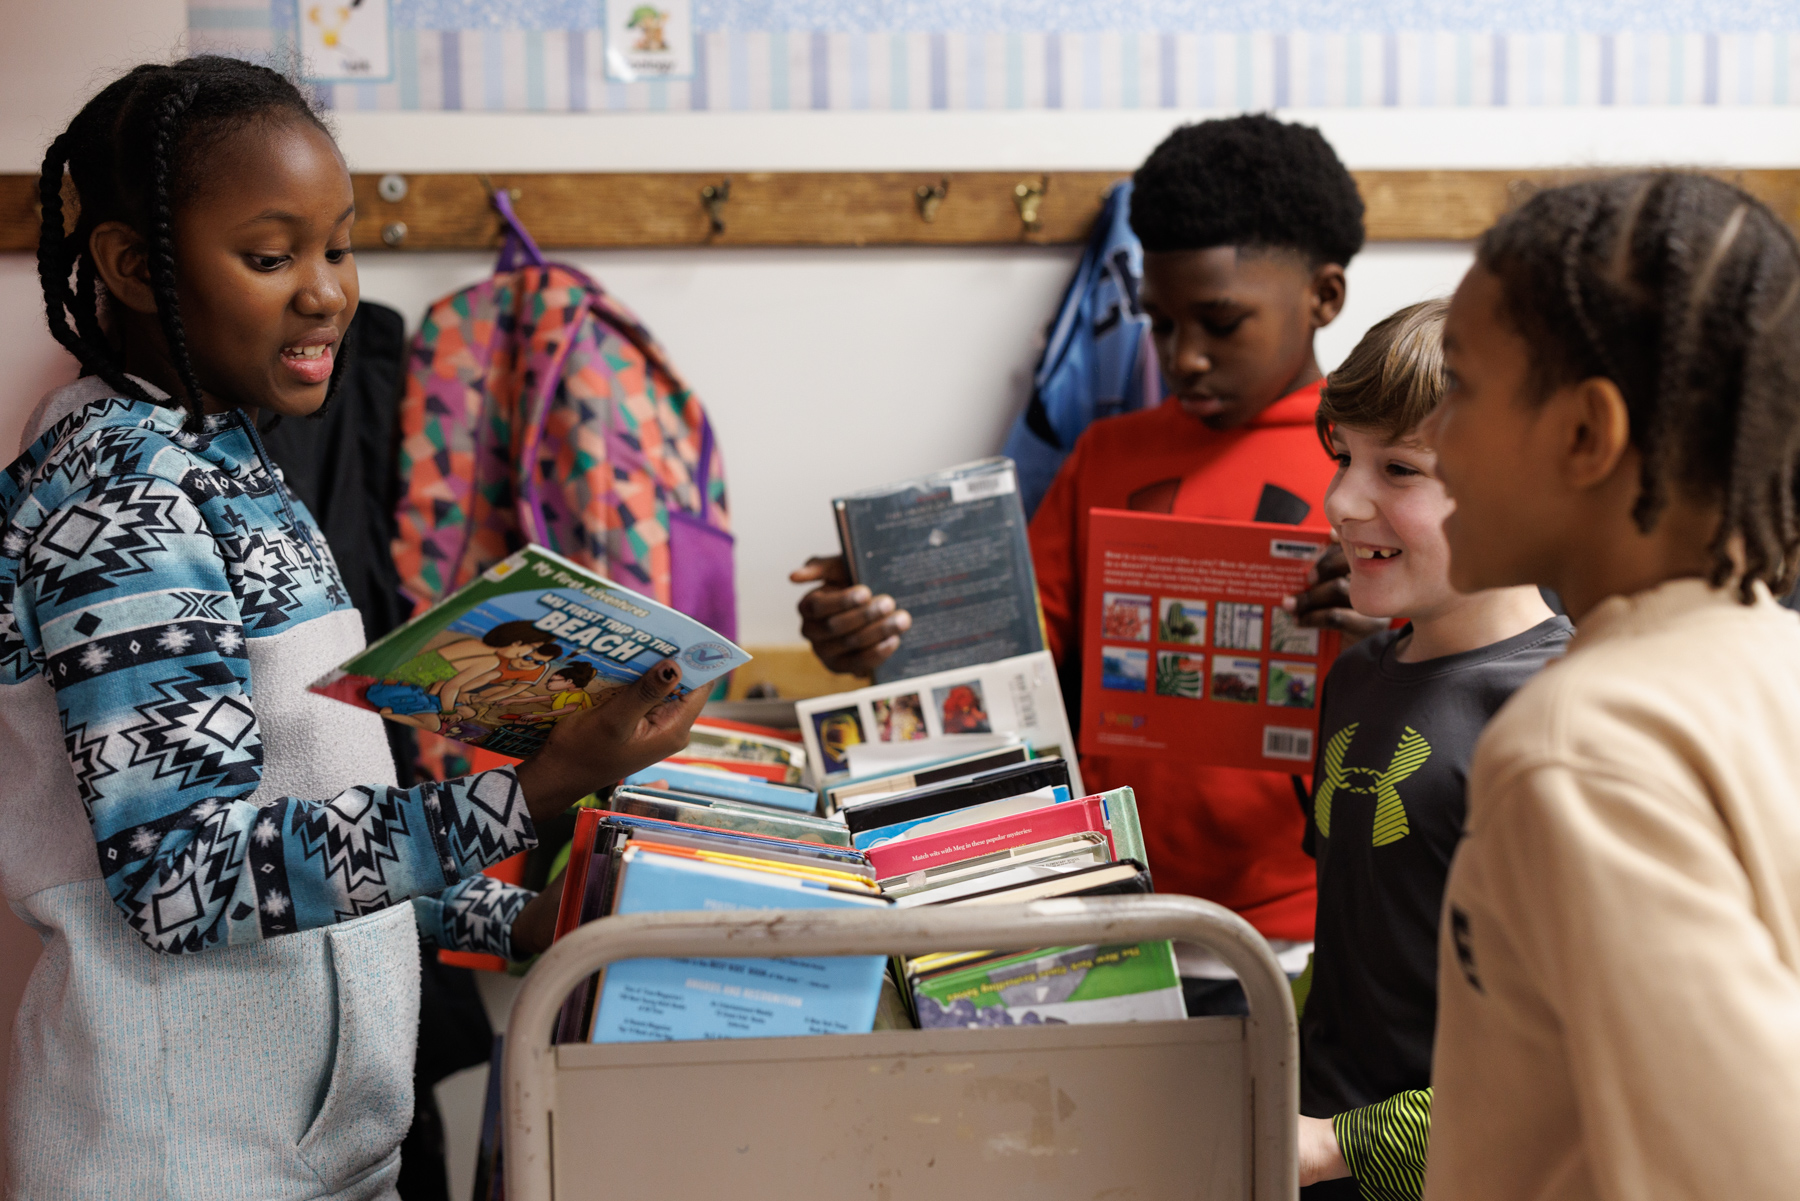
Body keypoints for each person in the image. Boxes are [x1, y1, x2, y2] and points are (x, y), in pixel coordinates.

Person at [1, 57, 706, 1200]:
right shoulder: (119, 495)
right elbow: (184, 878)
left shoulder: (225, 455)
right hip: (184, 1160)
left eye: (338, 245)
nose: (328, 292)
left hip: (301, 1149)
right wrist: (524, 794)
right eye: (272, 257)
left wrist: (517, 916)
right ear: (135, 266)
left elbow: (297, 829)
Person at [793, 114, 1383, 1011]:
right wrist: (879, 642)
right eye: (1161, 323)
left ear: (1324, 296)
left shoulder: (1384, 466)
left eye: (1221, 323)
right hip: (1101, 907)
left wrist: (1391, 624)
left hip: (1299, 935)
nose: (1183, 356)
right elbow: (1003, 661)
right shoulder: (1109, 456)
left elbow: (1468, 682)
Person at [1421, 172, 1800, 1199]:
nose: (1436, 435)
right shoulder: (1774, 655)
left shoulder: (1575, 752)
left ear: (1586, 434)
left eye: (1457, 385)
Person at [1288, 300, 1570, 1199]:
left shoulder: (1558, 717)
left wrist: (1338, 1145)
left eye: (1399, 468)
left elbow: (1569, 1062)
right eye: (1344, 459)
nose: (1340, 501)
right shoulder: (1358, 676)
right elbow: (1349, 947)